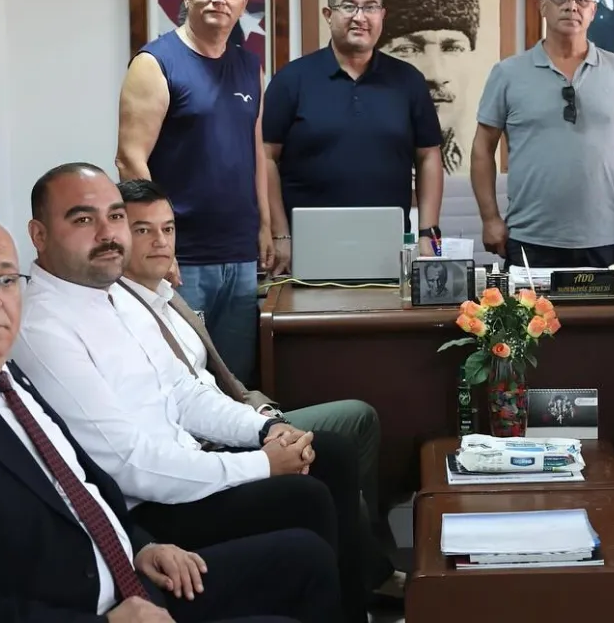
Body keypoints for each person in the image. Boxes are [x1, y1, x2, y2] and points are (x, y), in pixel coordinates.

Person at [0, 205, 339, 622]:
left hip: (128, 572)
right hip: (87, 607)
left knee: (306, 558)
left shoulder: (2, 375)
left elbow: (79, 485)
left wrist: (140, 546)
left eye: (6, 280)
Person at [11, 163, 371, 623]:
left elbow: (185, 393)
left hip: (182, 470)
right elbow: (128, 464)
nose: (107, 233)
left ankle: (352, 609)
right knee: (305, 497)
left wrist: (265, 430)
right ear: (39, 235)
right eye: (83, 219)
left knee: (327, 454)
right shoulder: (42, 327)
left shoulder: (118, 294)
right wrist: (262, 464)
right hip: (146, 508)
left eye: (115, 216)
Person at [114, 177, 404, 602]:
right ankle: (365, 576)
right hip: (198, 453)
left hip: (235, 417)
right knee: (328, 456)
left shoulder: (165, 293)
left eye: (168, 229)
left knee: (334, 445)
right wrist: (264, 439)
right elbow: (176, 413)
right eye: (143, 230)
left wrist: (266, 422)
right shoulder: (120, 311)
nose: (161, 241)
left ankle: (365, 569)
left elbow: (210, 385)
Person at [115, 0, 273, 385]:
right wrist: (159, 246)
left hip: (239, 253)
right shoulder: (155, 63)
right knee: (183, 379)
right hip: (183, 256)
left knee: (236, 380)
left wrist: (265, 225)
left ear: (244, 2)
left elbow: (255, 151)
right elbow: (129, 159)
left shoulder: (250, 66)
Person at [263, 0, 444, 275]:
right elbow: (265, 157)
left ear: (382, 15)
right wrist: (279, 233)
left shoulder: (408, 81)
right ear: (328, 14)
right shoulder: (292, 80)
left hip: (387, 247)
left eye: (370, 7)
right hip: (307, 247)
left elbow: (428, 155)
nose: (360, 17)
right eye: (349, 6)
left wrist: (428, 232)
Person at [471, 0, 614, 268]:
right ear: (543, 6)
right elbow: (482, 148)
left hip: (603, 239)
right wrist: (490, 218)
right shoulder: (508, 73)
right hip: (529, 238)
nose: (571, 6)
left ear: (593, 10)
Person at [330, 0, 481, 176]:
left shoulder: (472, 171)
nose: (436, 74)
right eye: (408, 49)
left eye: (452, 47)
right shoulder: (336, 162)